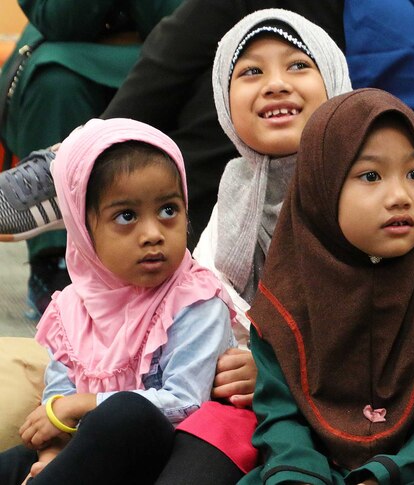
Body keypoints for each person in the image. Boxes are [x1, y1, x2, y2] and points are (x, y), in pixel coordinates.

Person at [241, 88, 414, 484]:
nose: (400, 196)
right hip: (309, 473)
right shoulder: (284, 307)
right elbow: (281, 423)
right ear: (321, 189)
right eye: (370, 175)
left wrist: (379, 476)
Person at [159, 9, 353, 482]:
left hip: (358, 403)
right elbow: (207, 302)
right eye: (250, 72)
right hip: (248, 409)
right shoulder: (232, 196)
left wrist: (274, 369)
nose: (275, 84)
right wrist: (237, 366)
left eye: (298, 65)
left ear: (334, 77)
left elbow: (408, 317)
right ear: (225, 104)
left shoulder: (369, 182)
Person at [0, 118, 234, 484]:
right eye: (126, 216)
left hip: (164, 456)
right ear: (83, 229)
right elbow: (57, 399)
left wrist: (84, 404)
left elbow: (187, 401)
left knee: (127, 413)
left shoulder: (196, 299)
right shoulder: (71, 308)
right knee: (15, 459)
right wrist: (50, 455)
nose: (153, 234)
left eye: (169, 210)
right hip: (87, 452)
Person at [0, 0, 182, 319]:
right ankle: (54, 259)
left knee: (194, 69)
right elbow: (60, 21)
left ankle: (172, 255)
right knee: (54, 80)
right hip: (65, 51)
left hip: (171, 50)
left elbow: (183, 18)